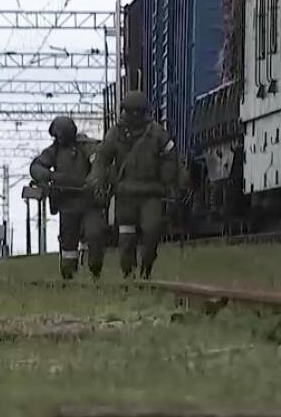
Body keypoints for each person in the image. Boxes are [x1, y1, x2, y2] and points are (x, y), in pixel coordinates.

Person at [87, 90, 181, 279]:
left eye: (138, 111)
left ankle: (145, 268)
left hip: (150, 192)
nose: (135, 116)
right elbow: (102, 159)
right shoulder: (117, 134)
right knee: (127, 237)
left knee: (151, 232)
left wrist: (168, 178)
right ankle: (128, 273)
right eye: (131, 111)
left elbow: (171, 157)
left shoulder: (156, 133)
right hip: (127, 193)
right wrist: (97, 179)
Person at [29, 115, 106, 279]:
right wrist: (49, 176)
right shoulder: (54, 151)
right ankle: (68, 275)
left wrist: (93, 179)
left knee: (94, 234)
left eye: (59, 135)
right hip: (67, 203)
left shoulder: (85, 146)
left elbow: (98, 162)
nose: (58, 139)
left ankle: (95, 270)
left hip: (88, 201)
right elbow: (36, 166)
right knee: (68, 242)